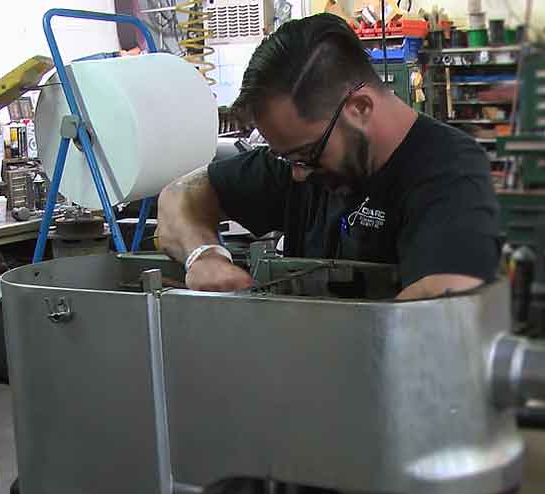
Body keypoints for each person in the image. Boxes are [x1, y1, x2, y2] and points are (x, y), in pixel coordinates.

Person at [157, 13, 500, 300]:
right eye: (285, 157)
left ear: (360, 108)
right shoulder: (300, 162)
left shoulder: (450, 173)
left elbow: (436, 313)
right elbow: (178, 197)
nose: (297, 175)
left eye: (306, 154)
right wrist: (203, 254)